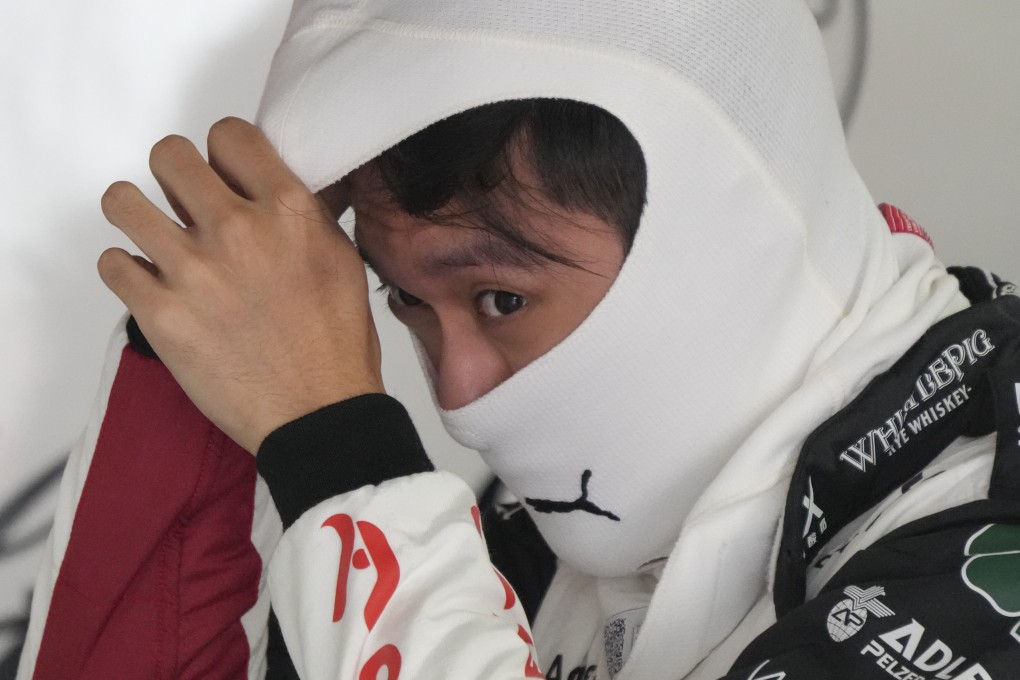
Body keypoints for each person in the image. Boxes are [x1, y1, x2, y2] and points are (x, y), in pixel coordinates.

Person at [17, 1, 1020, 678]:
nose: (456, 395)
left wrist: (337, 451)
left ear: (716, 237)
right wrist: (210, 347)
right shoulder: (526, 543)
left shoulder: (988, 531)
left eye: (499, 297)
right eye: (407, 305)